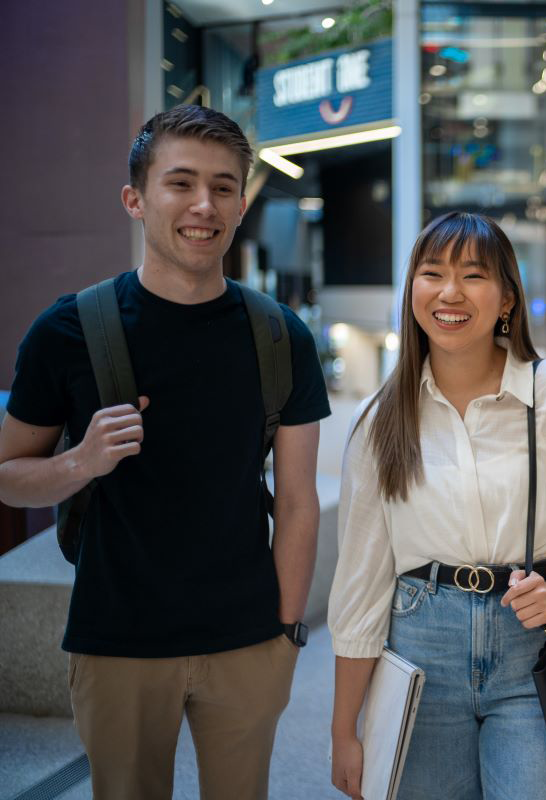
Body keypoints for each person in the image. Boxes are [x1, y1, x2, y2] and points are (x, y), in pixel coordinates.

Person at [0, 105, 330, 799]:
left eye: (223, 186)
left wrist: (285, 634)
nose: (202, 205)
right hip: (116, 640)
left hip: (247, 641)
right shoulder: (67, 331)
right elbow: (8, 477)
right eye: (180, 183)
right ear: (136, 198)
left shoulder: (280, 337)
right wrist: (77, 463)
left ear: (242, 203)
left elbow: (299, 501)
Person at [327, 211, 546, 800]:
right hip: (421, 651)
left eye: (473, 276)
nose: (450, 292)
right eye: (432, 273)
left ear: (506, 299)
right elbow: (361, 582)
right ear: (413, 291)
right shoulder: (379, 420)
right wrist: (343, 730)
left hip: (537, 650)